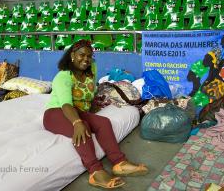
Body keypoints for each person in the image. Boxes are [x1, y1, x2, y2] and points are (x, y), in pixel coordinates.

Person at [43, 39, 148, 189]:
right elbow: (66, 104)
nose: (86, 59)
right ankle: (95, 172)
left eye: (89, 56)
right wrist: (77, 123)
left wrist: (92, 110)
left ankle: (119, 163)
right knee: (83, 127)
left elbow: (91, 94)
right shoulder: (64, 76)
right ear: (72, 55)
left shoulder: (91, 69)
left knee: (103, 122)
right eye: (81, 55)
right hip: (56, 113)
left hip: (77, 111)